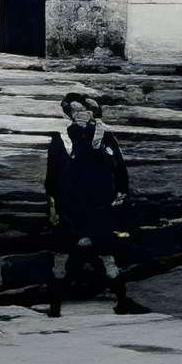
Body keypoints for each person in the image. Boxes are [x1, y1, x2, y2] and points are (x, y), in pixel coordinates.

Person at [42, 89, 141, 315]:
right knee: (61, 256)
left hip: (98, 206)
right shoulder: (61, 138)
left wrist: (121, 193)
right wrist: (53, 207)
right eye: (74, 110)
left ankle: (122, 302)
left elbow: (120, 168)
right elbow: (51, 177)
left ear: (93, 112)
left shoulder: (105, 136)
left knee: (107, 255)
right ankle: (54, 307)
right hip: (70, 207)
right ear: (68, 114)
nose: (79, 114)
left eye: (84, 110)